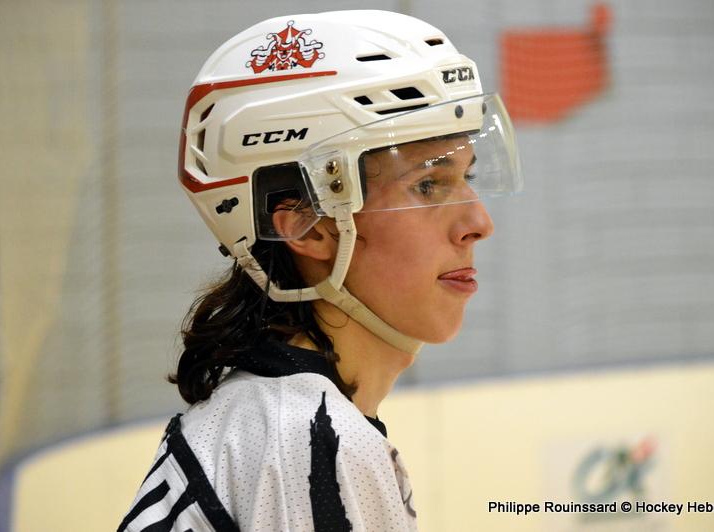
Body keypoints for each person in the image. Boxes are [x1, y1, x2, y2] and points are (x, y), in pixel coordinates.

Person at [119, 9, 521, 532]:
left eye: (468, 178)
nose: (479, 224)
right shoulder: (307, 442)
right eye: (428, 185)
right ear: (310, 229)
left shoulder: (273, 417)